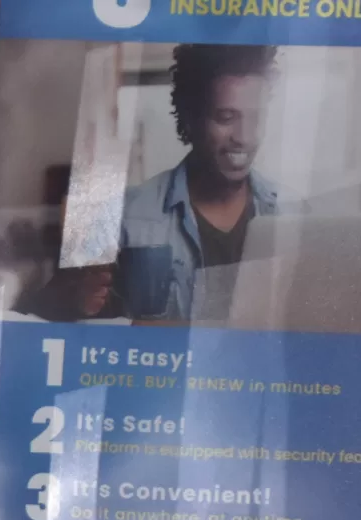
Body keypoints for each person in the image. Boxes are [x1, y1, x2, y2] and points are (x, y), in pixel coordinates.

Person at [41, 44, 285, 324]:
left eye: (256, 118)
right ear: (191, 119)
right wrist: (77, 302)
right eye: (226, 118)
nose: (243, 137)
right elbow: (48, 318)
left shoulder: (291, 213)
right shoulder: (122, 216)